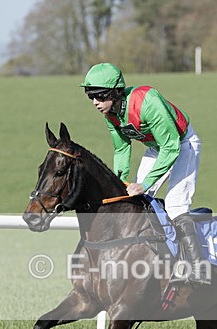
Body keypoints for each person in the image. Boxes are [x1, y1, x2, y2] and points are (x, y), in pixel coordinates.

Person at [80, 62, 208, 284]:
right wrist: (119, 182)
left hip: (183, 144)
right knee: (137, 200)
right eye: (90, 96)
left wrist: (146, 183)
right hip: (157, 149)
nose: (95, 102)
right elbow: (121, 148)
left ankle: (198, 268)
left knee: (176, 203)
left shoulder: (147, 101)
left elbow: (171, 147)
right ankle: (157, 257)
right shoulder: (111, 113)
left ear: (116, 92)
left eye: (99, 96)